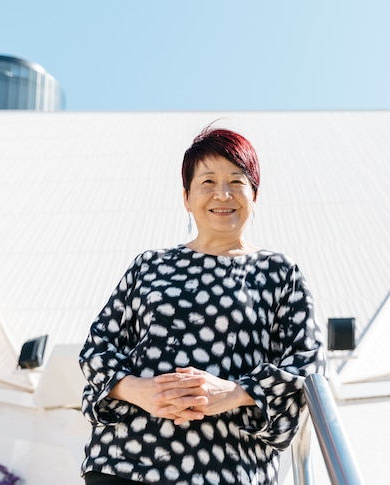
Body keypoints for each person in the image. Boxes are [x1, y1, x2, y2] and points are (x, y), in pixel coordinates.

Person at [79, 125, 324, 485]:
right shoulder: (150, 265)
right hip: (124, 461)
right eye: (207, 182)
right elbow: (98, 349)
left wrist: (233, 393)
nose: (222, 194)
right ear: (186, 197)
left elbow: (305, 365)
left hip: (227, 468)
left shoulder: (279, 273)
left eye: (236, 181)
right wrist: (141, 391)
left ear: (254, 193)